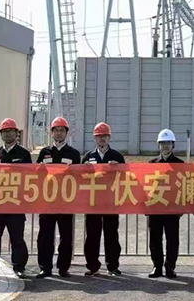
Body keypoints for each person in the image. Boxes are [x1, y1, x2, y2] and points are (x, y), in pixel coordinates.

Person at [0, 118, 32, 279]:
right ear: (1, 134)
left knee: (17, 237)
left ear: (16, 133)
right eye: (5, 131)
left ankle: (19, 267)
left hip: (16, 204)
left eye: (11, 131)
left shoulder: (24, 153)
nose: (8, 134)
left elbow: (30, 177)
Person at [35, 116, 80, 278]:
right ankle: (45, 267)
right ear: (51, 132)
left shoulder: (74, 154)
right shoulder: (44, 153)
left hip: (66, 201)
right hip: (47, 201)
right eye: (56, 130)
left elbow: (79, 176)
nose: (59, 133)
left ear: (66, 133)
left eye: (62, 130)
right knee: (45, 236)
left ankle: (63, 267)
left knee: (66, 236)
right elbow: (36, 175)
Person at [82, 122, 125, 276]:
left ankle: (112, 266)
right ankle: (92, 266)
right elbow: (79, 179)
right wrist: (84, 169)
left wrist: (119, 168)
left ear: (109, 137)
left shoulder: (117, 156)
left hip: (110, 202)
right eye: (99, 136)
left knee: (111, 235)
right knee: (92, 235)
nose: (102, 138)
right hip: (93, 203)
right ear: (95, 138)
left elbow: (126, 177)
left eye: (105, 136)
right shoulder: (88, 157)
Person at [148, 129, 184, 278]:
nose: (165, 146)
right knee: (155, 239)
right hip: (155, 207)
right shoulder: (151, 164)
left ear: (173, 145)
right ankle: (157, 266)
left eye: (168, 143)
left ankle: (170, 267)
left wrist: (181, 207)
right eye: (162, 143)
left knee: (172, 239)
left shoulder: (180, 164)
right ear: (158, 145)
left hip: (172, 209)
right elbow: (146, 186)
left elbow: (184, 186)